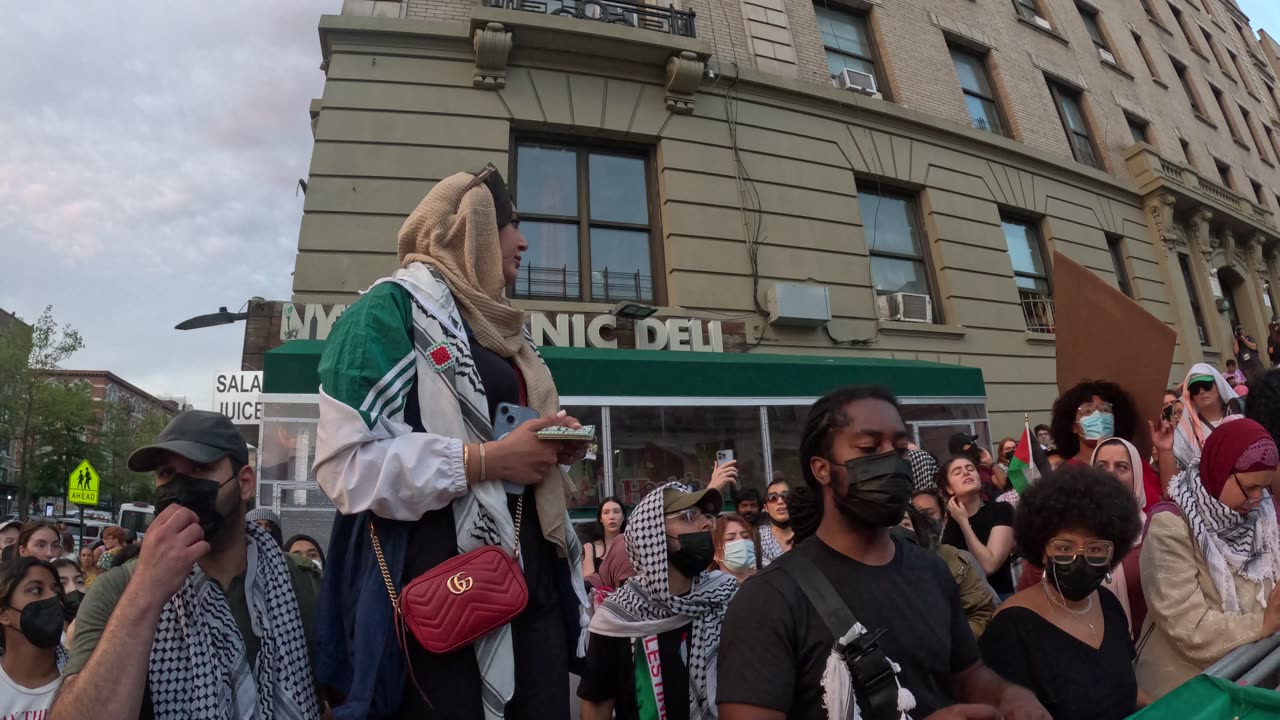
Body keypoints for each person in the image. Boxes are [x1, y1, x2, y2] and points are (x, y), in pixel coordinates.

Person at [309, 166, 589, 720]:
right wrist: (485, 459)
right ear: (475, 229)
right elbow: (345, 469)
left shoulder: (504, 329)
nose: (525, 241)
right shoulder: (386, 312)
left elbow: (503, 437)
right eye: (514, 225)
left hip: (531, 589)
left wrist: (550, 445)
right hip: (444, 597)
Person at [717, 386, 1050, 720]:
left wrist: (1009, 696)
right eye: (869, 447)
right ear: (821, 468)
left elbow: (968, 674)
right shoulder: (768, 600)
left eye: (901, 448)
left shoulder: (932, 571)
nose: (891, 460)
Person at [51, 410, 323, 720]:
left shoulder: (301, 583)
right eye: (166, 473)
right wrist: (145, 591)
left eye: (199, 468)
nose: (180, 488)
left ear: (245, 483)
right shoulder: (117, 590)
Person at [980, 465, 1145, 719]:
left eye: (1095, 549)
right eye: (1065, 548)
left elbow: (1127, 692)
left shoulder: (1108, 604)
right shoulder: (1010, 628)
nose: (1080, 559)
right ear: (1043, 549)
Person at [1137, 418, 1280, 698]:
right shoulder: (1171, 525)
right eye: (1249, 487)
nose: (1255, 498)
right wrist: (1262, 623)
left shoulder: (1263, 514)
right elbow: (1188, 625)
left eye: (1263, 488)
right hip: (1188, 691)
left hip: (1247, 677)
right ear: (1219, 469)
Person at [579, 483, 734, 720]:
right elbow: (597, 705)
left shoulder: (724, 597)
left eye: (708, 516)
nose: (706, 524)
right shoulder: (616, 618)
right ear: (652, 533)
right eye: (688, 516)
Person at [1052, 380, 1163, 511]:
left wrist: (1165, 451)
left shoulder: (1133, 461)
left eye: (1105, 409)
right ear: (1073, 426)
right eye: (1087, 411)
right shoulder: (1067, 474)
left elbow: (1167, 499)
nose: (1098, 415)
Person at [901, 506, 997, 639]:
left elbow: (981, 613)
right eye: (889, 527)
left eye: (905, 524)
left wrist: (955, 643)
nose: (898, 532)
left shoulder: (949, 558)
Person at [937, 455, 1016, 599]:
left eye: (970, 469)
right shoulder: (949, 524)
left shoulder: (1001, 509)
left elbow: (988, 566)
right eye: (957, 472)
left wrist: (964, 523)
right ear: (949, 488)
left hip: (1000, 599)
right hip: (967, 606)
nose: (966, 473)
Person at [0, 557, 65, 715]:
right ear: (3, 614)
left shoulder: (83, 676)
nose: (53, 598)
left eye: (56, 591)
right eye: (35, 590)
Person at [1173, 364, 1242, 472]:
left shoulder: (1241, 414)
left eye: (1206, 385)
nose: (1201, 392)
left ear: (1218, 385)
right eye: (1195, 388)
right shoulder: (1186, 430)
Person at [948, 432, 1001, 501]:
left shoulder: (984, 468)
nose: (973, 445)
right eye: (969, 443)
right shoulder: (959, 476)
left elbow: (1004, 485)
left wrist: (991, 463)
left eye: (973, 442)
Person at [583, 496, 626, 579]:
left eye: (616, 512)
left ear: (623, 517)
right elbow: (589, 582)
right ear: (600, 519)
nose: (612, 517)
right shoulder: (589, 548)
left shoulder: (633, 545)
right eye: (606, 512)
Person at [713, 513, 760, 583]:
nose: (741, 541)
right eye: (730, 538)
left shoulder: (767, 580)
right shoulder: (708, 589)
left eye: (746, 536)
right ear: (715, 551)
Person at [758, 475, 793, 565]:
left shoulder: (807, 534)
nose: (780, 501)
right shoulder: (759, 539)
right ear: (766, 507)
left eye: (785, 496)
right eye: (773, 497)